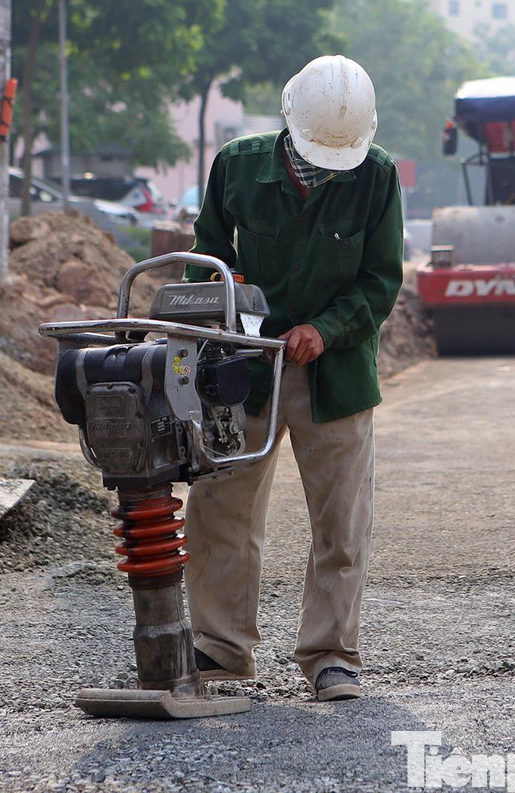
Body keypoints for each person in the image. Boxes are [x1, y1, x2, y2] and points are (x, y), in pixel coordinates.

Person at [181, 55, 403, 702]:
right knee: (221, 507)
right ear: (290, 125)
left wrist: (325, 329)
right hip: (241, 371)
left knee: (342, 519)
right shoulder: (238, 165)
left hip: (333, 374)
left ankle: (332, 654)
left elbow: (380, 279)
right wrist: (231, 309)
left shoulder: (377, 177)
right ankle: (219, 648)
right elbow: (208, 257)